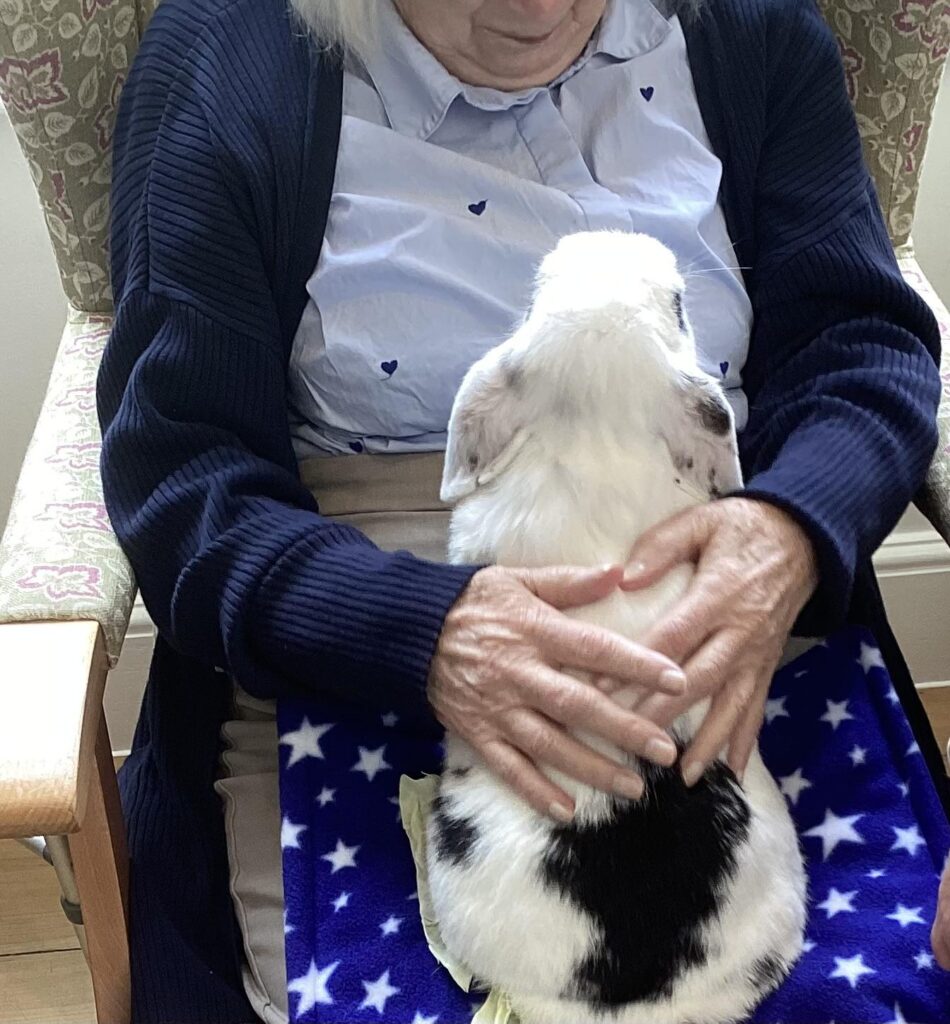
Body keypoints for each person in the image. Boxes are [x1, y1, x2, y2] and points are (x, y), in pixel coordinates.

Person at [97, 0, 950, 1020]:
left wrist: (787, 531)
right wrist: (427, 633)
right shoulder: (226, 60)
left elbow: (859, 346)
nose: (537, 8)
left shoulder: (751, 33)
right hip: (348, 634)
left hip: (733, 622)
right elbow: (179, 476)